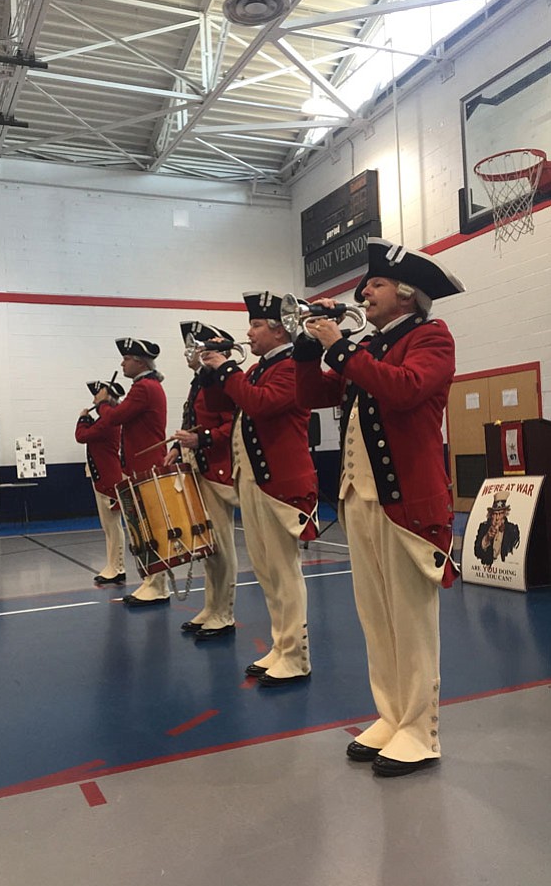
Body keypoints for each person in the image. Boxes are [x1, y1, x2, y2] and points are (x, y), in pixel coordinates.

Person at [293, 237, 465, 777]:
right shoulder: (372, 346)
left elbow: (406, 391)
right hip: (360, 499)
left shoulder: (432, 337)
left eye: (377, 284)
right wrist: (307, 346)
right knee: (376, 617)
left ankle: (420, 730)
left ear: (408, 295)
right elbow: (312, 397)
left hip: (407, 503)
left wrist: (341, 347)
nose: (364, 292)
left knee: (410, 622)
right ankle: (391, 716)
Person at [200, 291, 318, 686]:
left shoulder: (288, 367)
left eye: (254, 325)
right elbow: (223, 400)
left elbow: (260, 404)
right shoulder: (255, 369)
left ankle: (297, 655)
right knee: (266, 571)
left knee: (284, 572)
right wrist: (211, 369)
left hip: (280, 483)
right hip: (251, 479)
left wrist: (228, 368)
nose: (247, 333)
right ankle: (281, 646)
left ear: (278, 329)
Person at [165, 321, 239, 640]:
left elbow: (233, 425)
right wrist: (177, 446)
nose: (189, 353)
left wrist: (202, 440)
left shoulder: (223, 381)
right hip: (198, 466)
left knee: (221, 545)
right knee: (209, 545)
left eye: (196, 347)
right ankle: (212, 606)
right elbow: (191, 422)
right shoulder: (201, 382)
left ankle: (225, 612)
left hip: (218, 469)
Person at [94, 337, 169, 606]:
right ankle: (152, 581)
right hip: (142, 466)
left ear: (139, 361)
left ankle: (157, 585)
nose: (122, 363)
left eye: (126, 359)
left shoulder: (143, 388)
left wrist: (103, 402)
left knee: (150, 528)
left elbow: (113, 418)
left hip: (144, 467)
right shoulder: (147, 387)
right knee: (145, 528)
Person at [75, 378, 127, 586]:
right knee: (109, 527)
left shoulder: (108, 422)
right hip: (103, 477)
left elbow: (81, 436)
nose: (94, 400)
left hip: (108, 478)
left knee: (113, 527)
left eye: (97, 395)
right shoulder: (106, 420)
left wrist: (82, 419)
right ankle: (113, 565)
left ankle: (118, 567)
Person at [474, 492, 520, 565]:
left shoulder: (512, 529)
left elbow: (515, 554)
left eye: (500, 513)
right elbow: (477, 552)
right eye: (495, 514)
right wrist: (487, 538)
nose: (497, 518)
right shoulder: (483, 527)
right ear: (491, 515)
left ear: (505, 514)